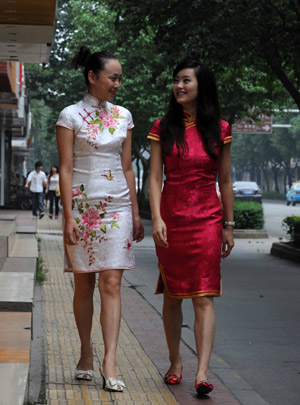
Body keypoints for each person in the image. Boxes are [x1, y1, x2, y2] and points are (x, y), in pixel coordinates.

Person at [56, 45, 144, 392]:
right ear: (92, 77)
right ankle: (85, 350)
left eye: (120, 78)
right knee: (84, 285)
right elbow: (64, 169)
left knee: (112, 283)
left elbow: (126, 167)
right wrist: (67, 216)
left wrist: (136, 213)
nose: (118, 84)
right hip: (82, 209)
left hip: (118, 207)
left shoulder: (124, 116)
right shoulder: (70, 116)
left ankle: (110, 359)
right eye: (113, 77)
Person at [148, 58, 234, 396]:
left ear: (202, 86)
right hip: (171, 220)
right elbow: (155, 178)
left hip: (208, 220)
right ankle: (174, 362)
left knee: (204, 296)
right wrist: (156, 218)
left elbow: (225, 180)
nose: (178, 86)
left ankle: (202, 371)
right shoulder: (162, 126)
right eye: (176, 80)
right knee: (173, 294)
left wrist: (228, 225)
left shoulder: (221, 129)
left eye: (186, 80)